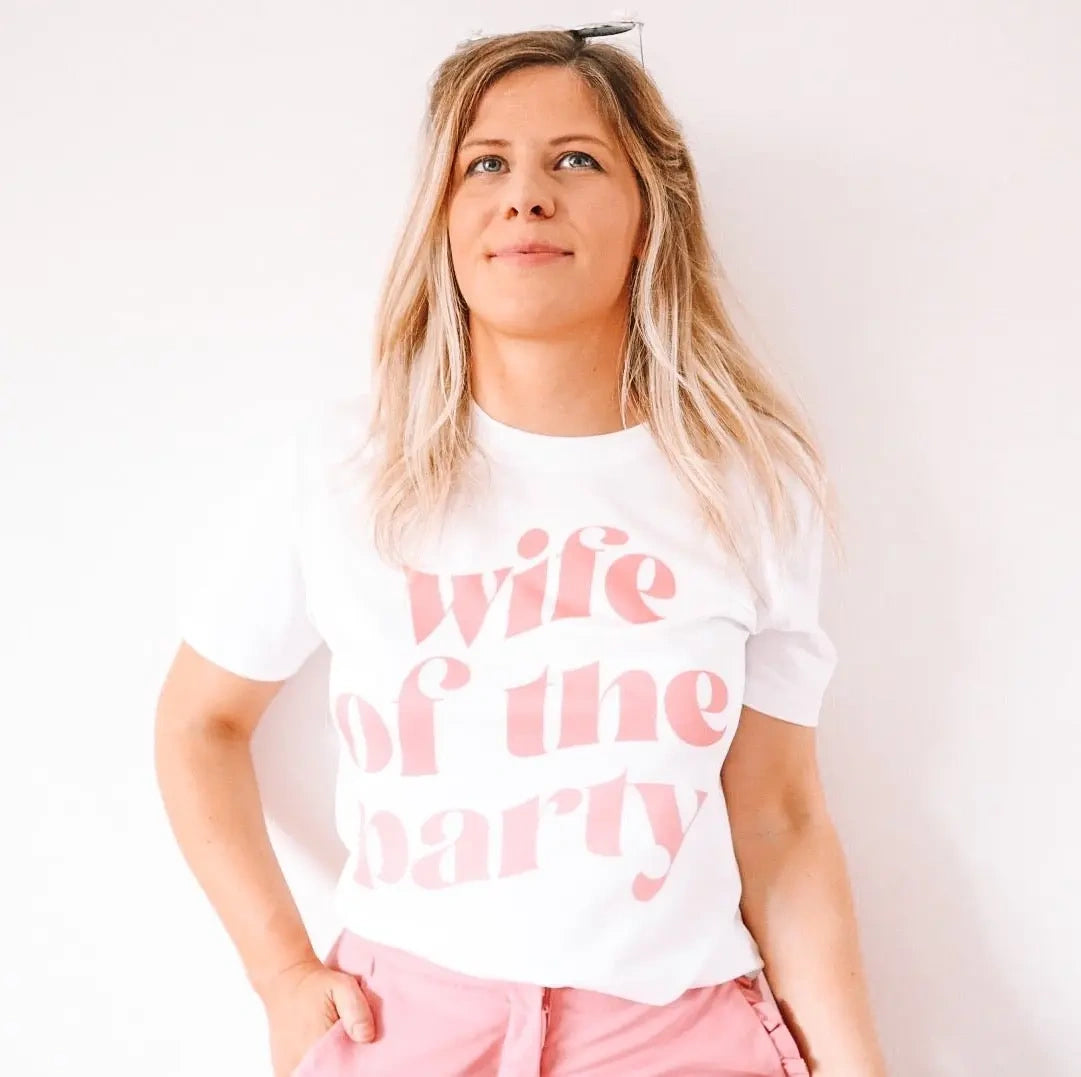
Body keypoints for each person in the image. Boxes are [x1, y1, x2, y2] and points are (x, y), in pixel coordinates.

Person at [155, 25, 888, 1077]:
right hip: (400, 1027)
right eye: (485, 162)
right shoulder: (342, 471)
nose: (526, 195)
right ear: (444, 220)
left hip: (675, 1036)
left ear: (648, 220)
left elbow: (779, 817)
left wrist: (857, 1065)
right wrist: (279, 975)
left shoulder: (750, 482)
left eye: (576, 160)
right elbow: (198, 722)